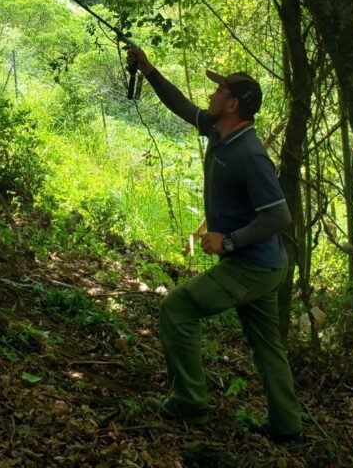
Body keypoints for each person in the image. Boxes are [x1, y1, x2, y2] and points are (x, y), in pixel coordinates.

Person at [126, 46, 303, 445]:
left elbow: (279, 216)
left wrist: (230, 241)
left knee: (177, 309)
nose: (211, 95)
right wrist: (150, 70)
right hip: (263, 265)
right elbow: (183, 106)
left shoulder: (250, 154)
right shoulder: (220, 132)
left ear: (233, 103)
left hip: (253, 265)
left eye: (218, 91)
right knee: (267, 347)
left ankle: (189, 399)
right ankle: (287, 427)